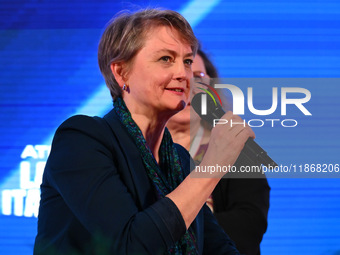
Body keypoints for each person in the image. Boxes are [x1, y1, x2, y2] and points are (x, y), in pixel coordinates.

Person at [34, 9, 255, 255]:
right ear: (121, 72)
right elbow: (131, 246)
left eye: (187, 61)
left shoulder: (178, 161)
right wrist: (212, 167)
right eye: (165, 59)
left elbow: (219, 249)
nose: (182, 74)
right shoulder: (82, 139)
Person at [167, 48, 270, 255]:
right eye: (180, 77)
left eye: (198, 76)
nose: (189, 86)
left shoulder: (238, 146)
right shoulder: (131, 148)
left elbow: (248, 225)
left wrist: (168, 228)